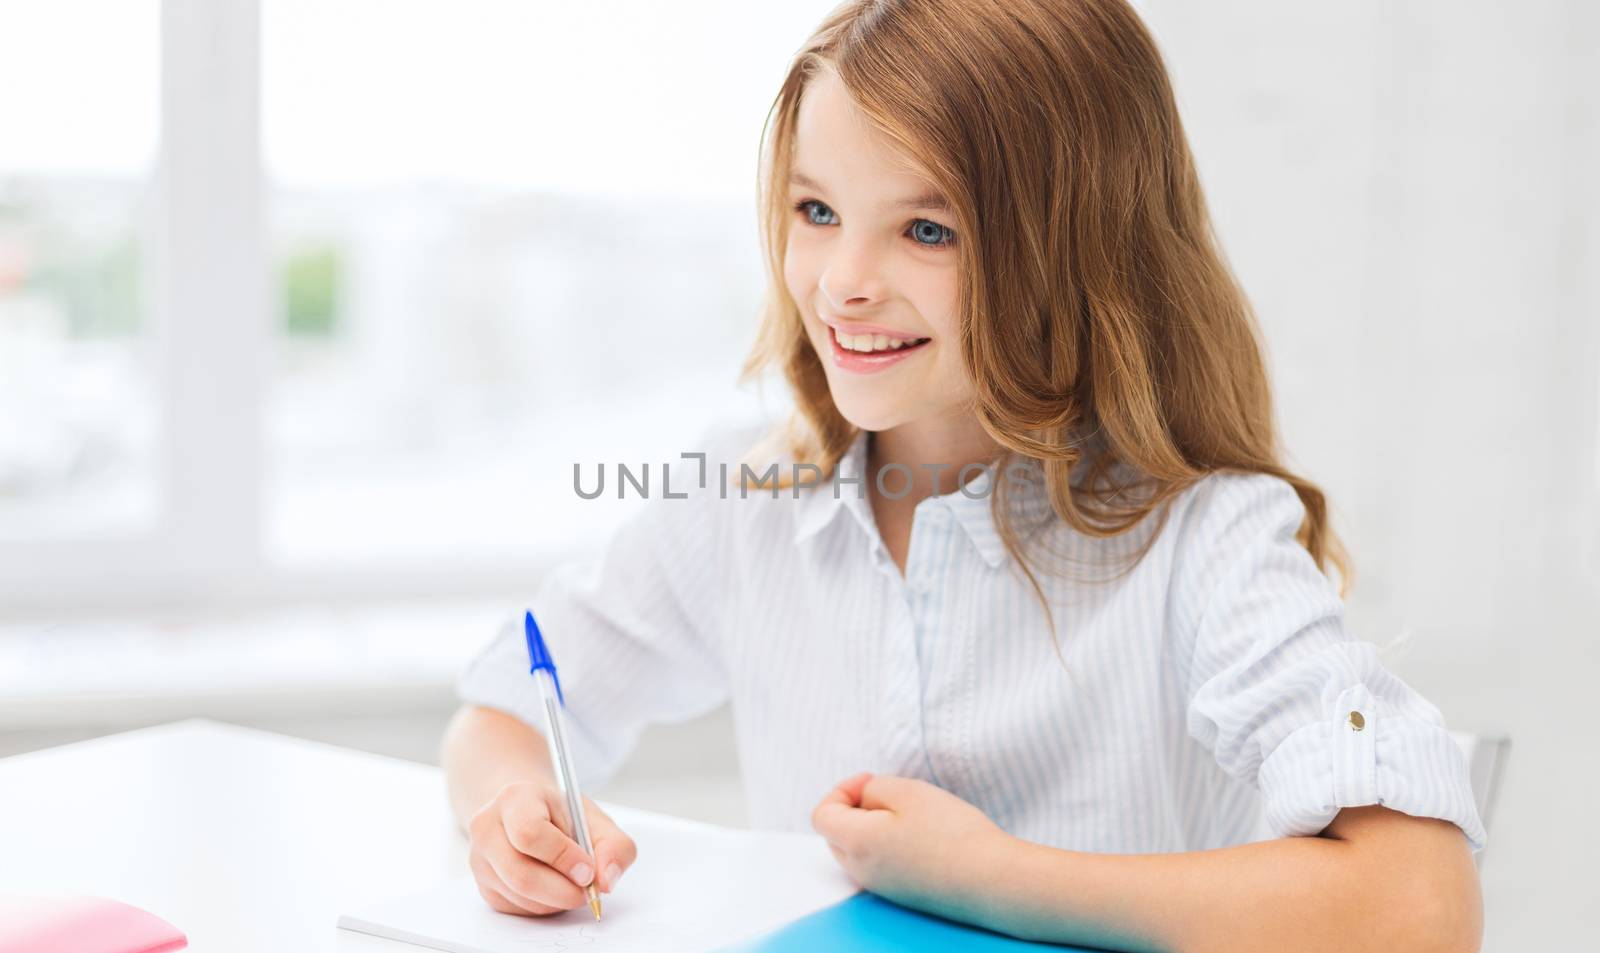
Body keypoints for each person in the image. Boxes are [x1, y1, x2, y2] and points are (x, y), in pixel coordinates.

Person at [441, 1, 1485, 949]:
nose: (844, 282)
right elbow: (508, 706)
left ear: (1077, 251)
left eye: (926, 229)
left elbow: (1421, 904)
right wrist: (512, 808)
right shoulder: (746, 494)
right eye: (816, 212)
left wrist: (993, 876)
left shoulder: (1202, 540)